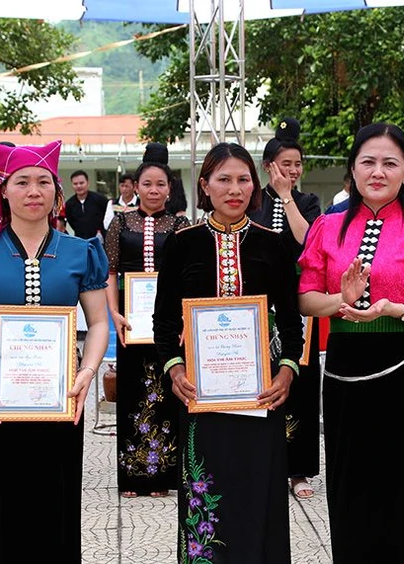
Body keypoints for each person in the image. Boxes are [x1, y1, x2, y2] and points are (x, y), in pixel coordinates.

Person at [297, 122, 404, 562]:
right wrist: (339, 299)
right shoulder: (326, 228)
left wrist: (394, 309)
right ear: (352, 168)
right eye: (368, 161)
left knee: (400, 478)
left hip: (401, 364)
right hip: (344, 362)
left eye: (390, 163)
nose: (378, 172)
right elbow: (307, 301)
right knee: (349, 476)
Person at [0, 140, 109, 562]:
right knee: (2, 508)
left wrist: (86, 374)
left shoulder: (81, 251)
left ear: (57, 192)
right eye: (21, 182)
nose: (32, 190)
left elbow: (97, 324)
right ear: (2, 191)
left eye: (42, 182)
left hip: (63, 400)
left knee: (58, 506)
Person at [153, 142, 303, 563]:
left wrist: (287, 371)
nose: (233, 189)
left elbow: (292, 323)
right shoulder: (182, 244)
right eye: (223, 179)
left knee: (259, 485)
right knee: (207, 484)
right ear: (205, 185)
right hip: (200, 393)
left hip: (261, 390)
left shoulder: (273, 244)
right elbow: (163, 321)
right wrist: (175, 369)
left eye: (242, 179)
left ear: (255, 186)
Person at [104, 141, 190, 498]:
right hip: (131, 321)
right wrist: (114, 312)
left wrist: (186, 318)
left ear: (170, 188)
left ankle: (162, 479)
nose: (153, 190)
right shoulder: (121, 221)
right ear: (135, 187)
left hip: (169, 320)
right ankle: (133, 478)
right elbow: (109, 271)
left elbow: (189, 276)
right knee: (133, 392)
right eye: (147, 184)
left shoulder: (182, 224)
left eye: (161, 184)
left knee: (167, 393)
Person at [249, 116, 322, 500]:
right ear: (267, 166)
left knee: (302, 381)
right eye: (284, 163)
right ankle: (263, 463)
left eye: (297, 164)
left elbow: (308, 241)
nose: (291, 170)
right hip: (259, 305)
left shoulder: (308, 201)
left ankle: (299, 469)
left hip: (299, 301)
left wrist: (288, 196)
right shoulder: (253, 198)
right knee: (260, 378)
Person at [64, 169, 109, 240]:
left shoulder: (100, 199)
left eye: (81, 183)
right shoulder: (69, 204)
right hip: (80, 240)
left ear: (88, 183)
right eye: (75, 184)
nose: (78, 186)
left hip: (100, 240)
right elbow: (71, 222)